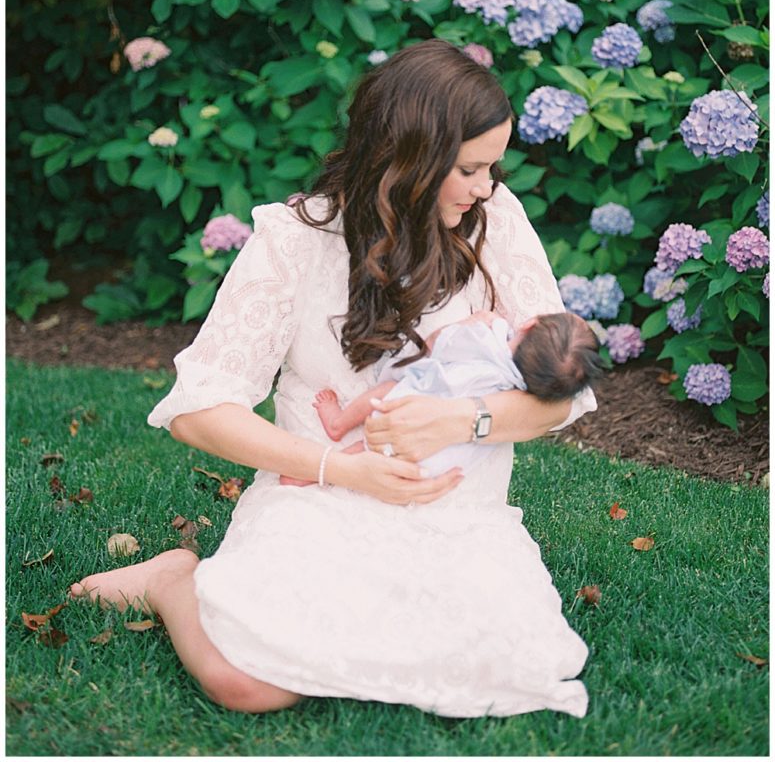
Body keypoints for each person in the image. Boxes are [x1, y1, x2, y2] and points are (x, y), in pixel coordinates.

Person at [70, 39, 597, 719]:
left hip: (453, 515)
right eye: (468, 169)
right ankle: (176, 579)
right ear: (408, 158)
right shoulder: (292, 241)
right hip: (317, 497)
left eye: (493, 167)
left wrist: (464, 420)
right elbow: (199, 409)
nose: (486, 188)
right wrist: (338, 469)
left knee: (502, 672)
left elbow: (563, 396)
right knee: (249, 685)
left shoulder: (491, 225)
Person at [281, 309, 601, 483]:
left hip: (407, 407)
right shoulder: (520, 390)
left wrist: (477, 321)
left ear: (529, 324)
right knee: (371, 449)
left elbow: (439, 343)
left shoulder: (486, 337)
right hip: (443, 458)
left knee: (385, 395)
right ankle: (319, 474)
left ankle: (337, 423)